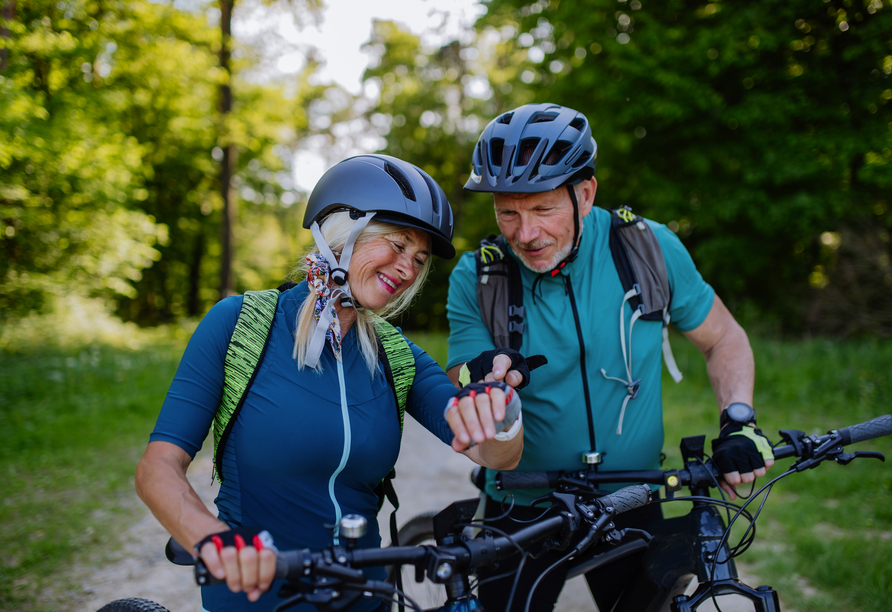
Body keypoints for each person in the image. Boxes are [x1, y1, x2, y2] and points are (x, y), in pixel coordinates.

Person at [135, 154, 527, 612]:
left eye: (419, 259)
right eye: (397, 245)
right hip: (257, 597)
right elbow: (157, 468)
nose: (408, 268)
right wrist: (214, 543)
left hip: (368, 599)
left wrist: (502, 416)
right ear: (340, 232)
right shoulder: (241, 325)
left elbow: (491, 452)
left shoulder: (395, 353)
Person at [445, 103, 774, 611]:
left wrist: (739, 418)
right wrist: (480, 371)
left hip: (634, 497)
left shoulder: (647, 249)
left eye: (543, 209)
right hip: (522, 503)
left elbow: (723, 338)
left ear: (586, 193)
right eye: (508, 211)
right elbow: (459, 369)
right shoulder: (480, 275)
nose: (525, 234)